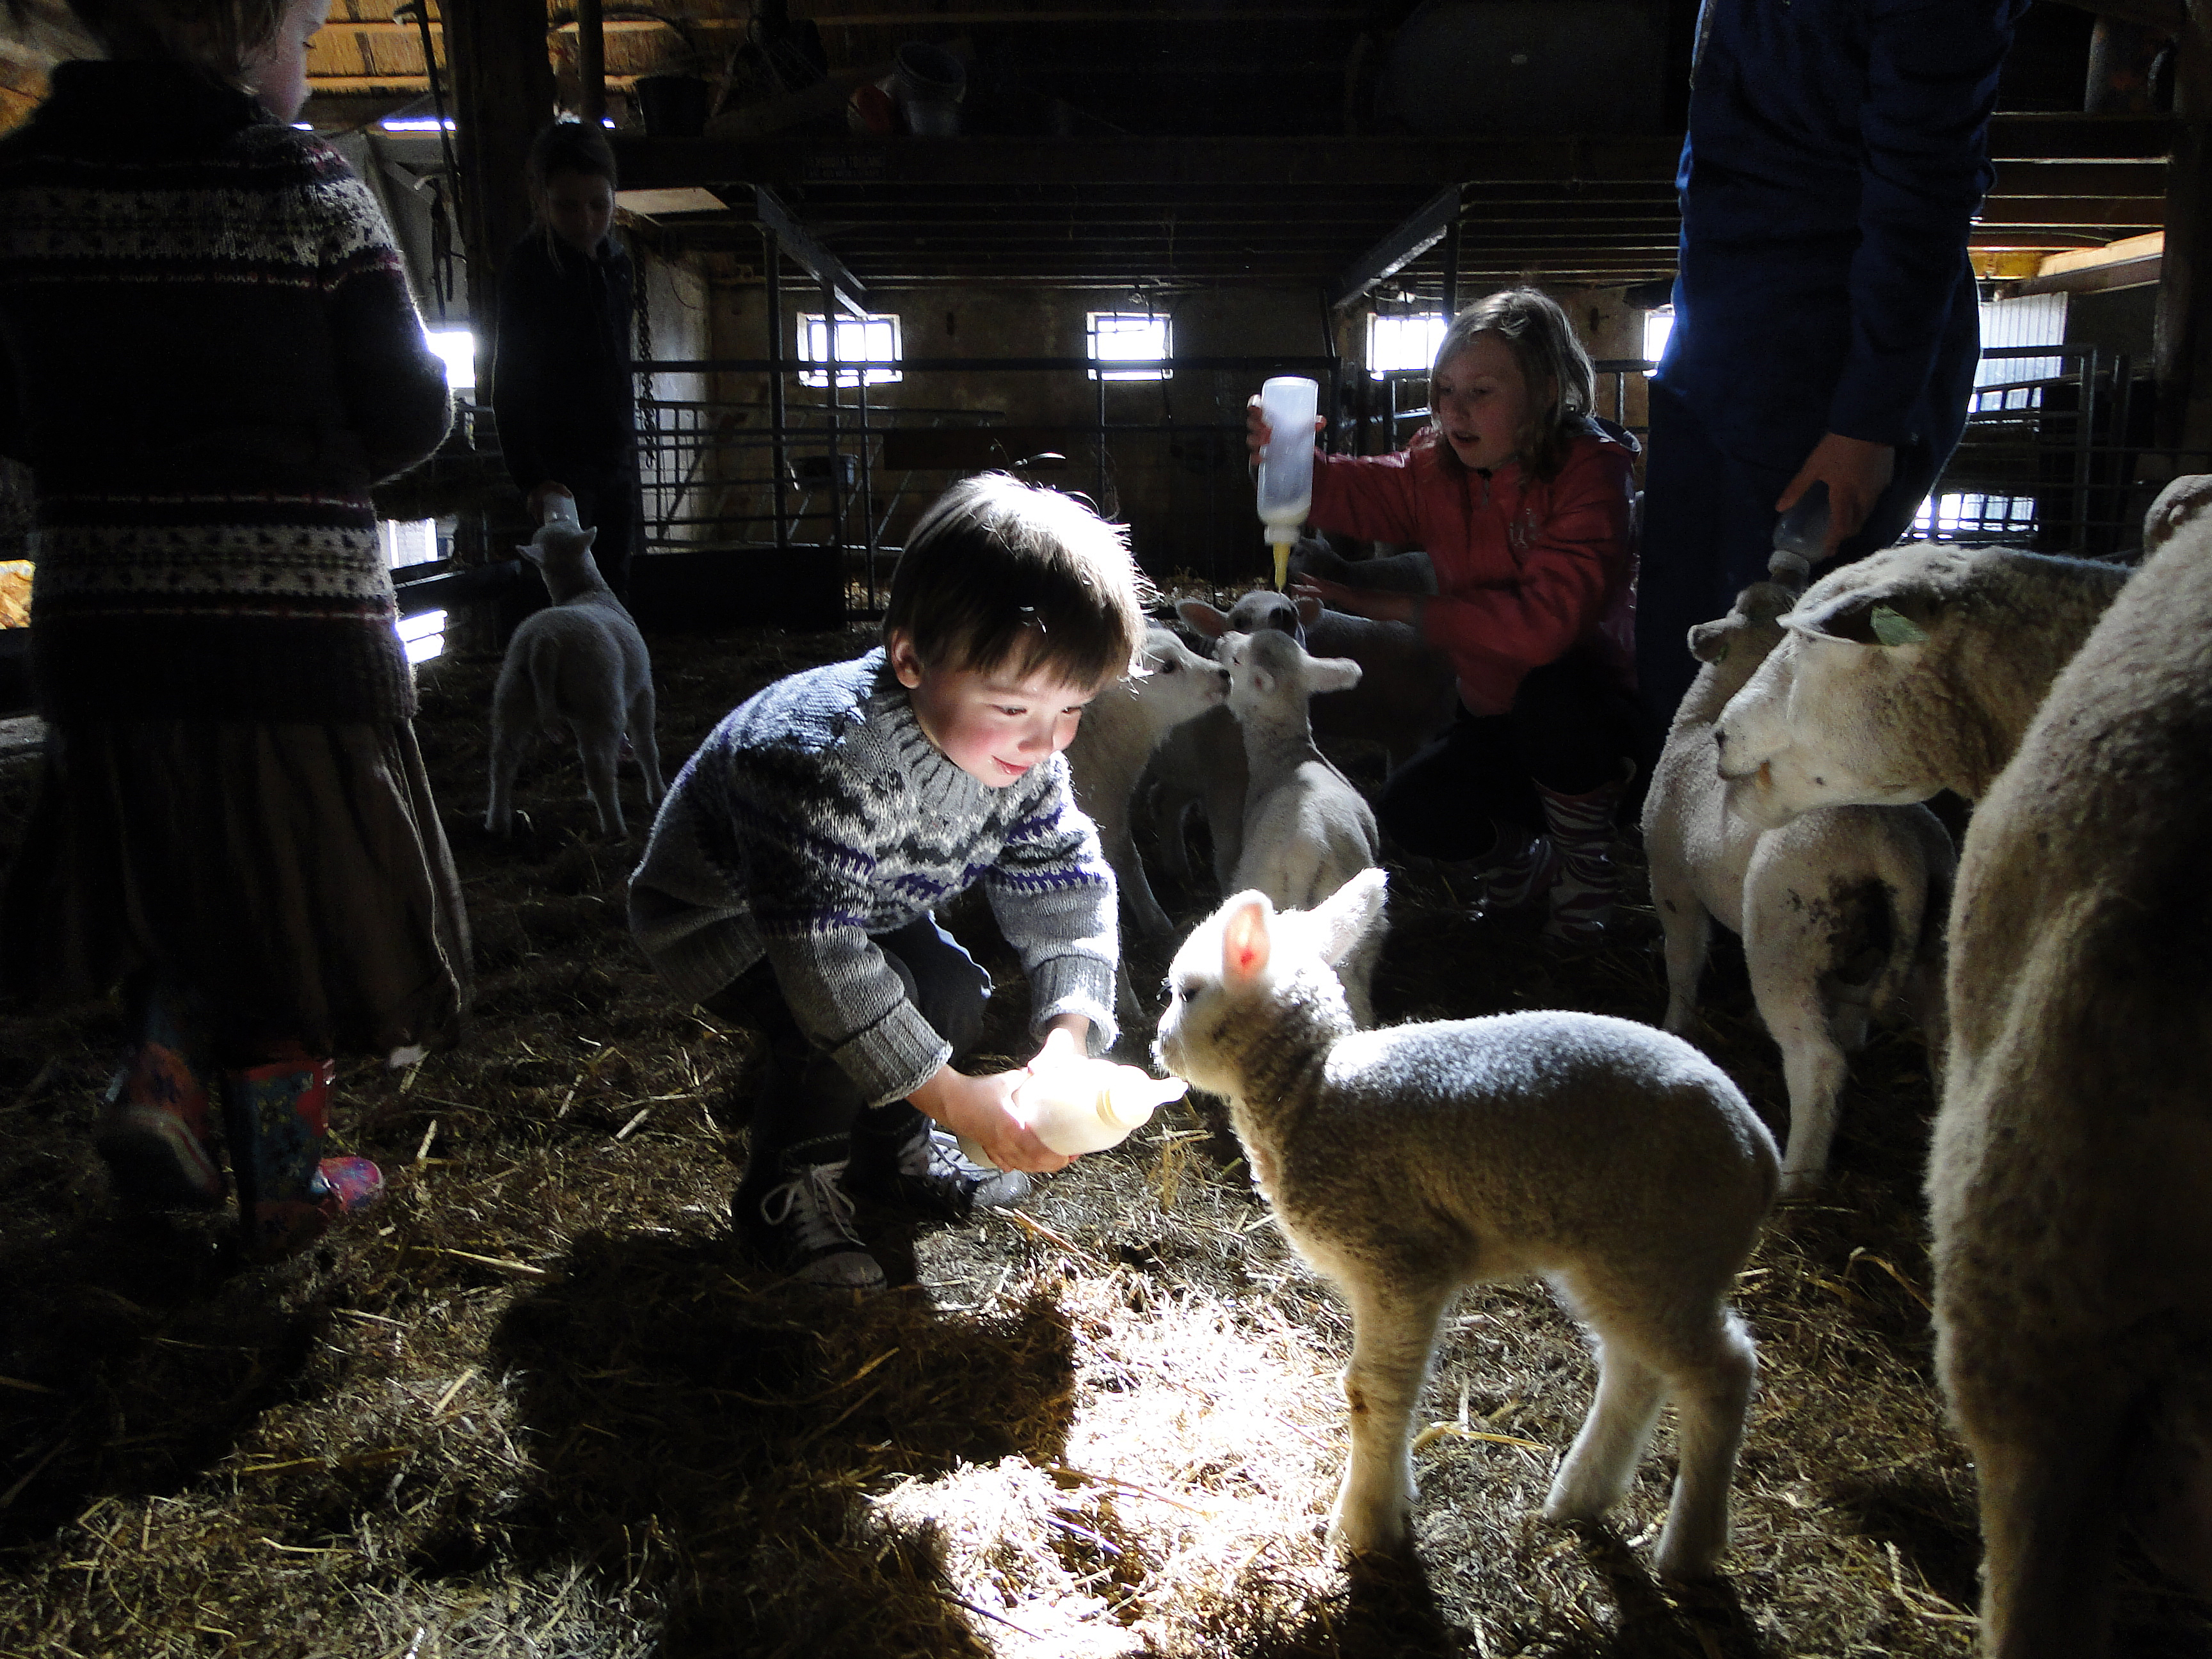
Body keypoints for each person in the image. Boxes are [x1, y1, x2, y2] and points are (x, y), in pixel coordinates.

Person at [0, 0, 466, 1262]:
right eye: (304, 35)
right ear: (245, 37)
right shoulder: (297, 175)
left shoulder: (26, 181)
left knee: (165, 875)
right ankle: (280, 1190)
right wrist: (301, 478)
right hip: (290, 626)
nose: (307, 68)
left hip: (107, 625)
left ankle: (158, 1072)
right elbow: (414, 404)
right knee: (289, 899)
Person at [628, 473, 1147, 1292]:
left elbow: (1066, 879)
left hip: (866, 901)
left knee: (949, 989)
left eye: (1074, 708)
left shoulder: (1025, 760)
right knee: (843, 1017)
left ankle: (885, 1150)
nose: (1048, 742)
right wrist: (955, 1099)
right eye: (1015, 707)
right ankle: (784, 1187)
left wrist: (1065, 1037)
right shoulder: (824, 762)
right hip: (729, 920)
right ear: (910, 658)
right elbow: (822, 960)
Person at [1635, 0, 2029, 755]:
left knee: (1820, 633)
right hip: (1720, 337)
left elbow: (1926, 179)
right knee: (1690, 642)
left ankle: (1945, 709)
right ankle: (1689, 835)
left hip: (1824, 359)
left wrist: (1867, 419)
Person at [1249, 289, 1639, 943]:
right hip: (1492, 713)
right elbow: (1368, 491)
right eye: (1445, 390)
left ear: (1546, 391)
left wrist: (1394, 606)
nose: (1456, 409)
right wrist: (1289, 463)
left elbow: (1544, 629)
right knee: (1411, 809)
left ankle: (1586, 873)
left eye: (1481, 391)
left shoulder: (1588, 475)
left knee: (1555, 699)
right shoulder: (1440, 468)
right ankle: (1527, 864)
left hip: (1595, 724)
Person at [492, 120, 639, 603]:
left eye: (600, 205)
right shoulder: (529, 271)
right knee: (565, 590)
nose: (587, 220)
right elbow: (509, 378)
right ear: (543, 201)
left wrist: (623, 449)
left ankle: (607, 674)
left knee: (614, 582)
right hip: (560, 467)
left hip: (614, 457)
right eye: (568, 206)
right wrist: (531, 477)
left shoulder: (616, 265)